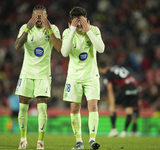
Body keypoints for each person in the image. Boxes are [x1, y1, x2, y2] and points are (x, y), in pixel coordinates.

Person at [14, 5, 61, 149]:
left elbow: (59, 48)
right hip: (27, 72)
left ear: (46, 16)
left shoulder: (53, 28)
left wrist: (50, 30)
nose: (39, 19)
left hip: (43, 74)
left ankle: (40, 142)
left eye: (41, 16)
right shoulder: (25, 27)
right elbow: (17, 46)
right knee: (22, 108)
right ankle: (23, 140)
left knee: (42, 108)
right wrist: (28, 28)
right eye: (37, 16)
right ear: (32, 17)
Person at [61, 6, 105, 150]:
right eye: (76, 21)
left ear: (86, 20)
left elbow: (101, 49)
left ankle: (92, 140)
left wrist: (88, 31)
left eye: (81, 21)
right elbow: (64, 52)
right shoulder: (67, 32)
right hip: (74, 76)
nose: (79, 24)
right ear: (72, 21)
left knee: (93, 106)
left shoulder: (94, 30)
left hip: (91, 75)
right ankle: (79, 141)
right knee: (74, 108)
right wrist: (72, 32)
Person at [98, 62, 139, 138]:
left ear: (101, 69)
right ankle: (124, 132)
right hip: (134, 87)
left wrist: (112, 103)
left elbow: (110, 90)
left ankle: (114, 130)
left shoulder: (107, 74)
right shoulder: (117, 67)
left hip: (125, 87)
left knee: (113, 108)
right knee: (129, 109)